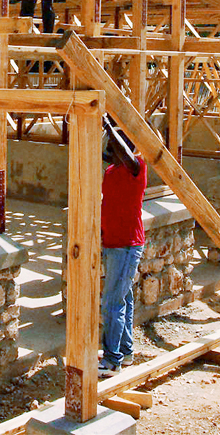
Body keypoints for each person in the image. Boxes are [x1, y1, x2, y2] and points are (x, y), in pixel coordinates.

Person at [99, 116, 146, 377]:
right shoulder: (110, 172)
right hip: (113, 243)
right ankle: (125, 352)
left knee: (112, 303)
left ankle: (111, 360)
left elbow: (127, 155)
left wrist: (109, 126)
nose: (111, 148)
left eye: (115, 144)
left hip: (127, 245)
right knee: (123, 299)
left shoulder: (137, 168)